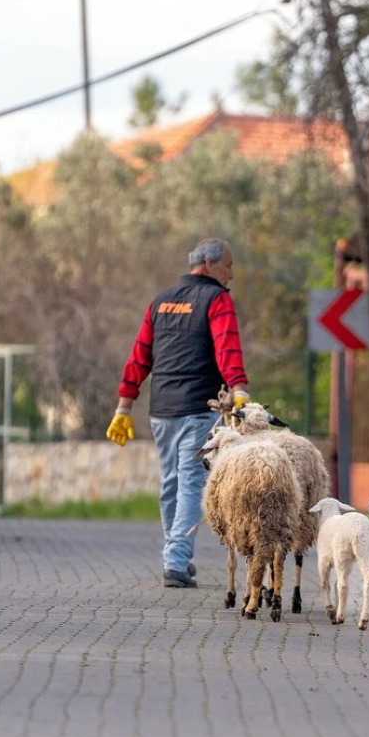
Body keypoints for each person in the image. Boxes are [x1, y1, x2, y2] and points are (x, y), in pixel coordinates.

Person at [106, 237, 251, 587]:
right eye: (229, 265)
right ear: (211, 264)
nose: (232, 274)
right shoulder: (217, 299)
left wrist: (124, 405)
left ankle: (177, 557)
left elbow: (140, 355)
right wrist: (240, 389)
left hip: (162, 411)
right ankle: (176, 560)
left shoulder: (161, 302)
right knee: (190, 483)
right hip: (199, 408)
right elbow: (227, 346)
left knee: (171, 482)